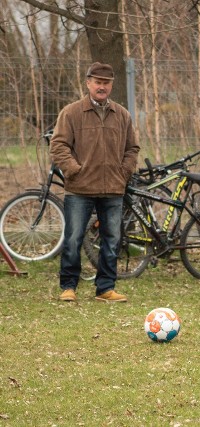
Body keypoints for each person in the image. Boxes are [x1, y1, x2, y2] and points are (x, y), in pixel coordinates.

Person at [50, 62, 140, 302]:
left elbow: (132, 148)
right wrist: (74, 171)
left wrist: (124, 172)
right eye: (97, 82)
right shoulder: (71, 112)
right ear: (88, 83)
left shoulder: (122, 114)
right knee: (73, 239)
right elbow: (58, 146)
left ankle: (105, 288)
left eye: (106, 83)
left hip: (113, 188)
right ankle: (68, 287)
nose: (102, 86)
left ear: (111, 85)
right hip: (79, 189)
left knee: (112, 240)